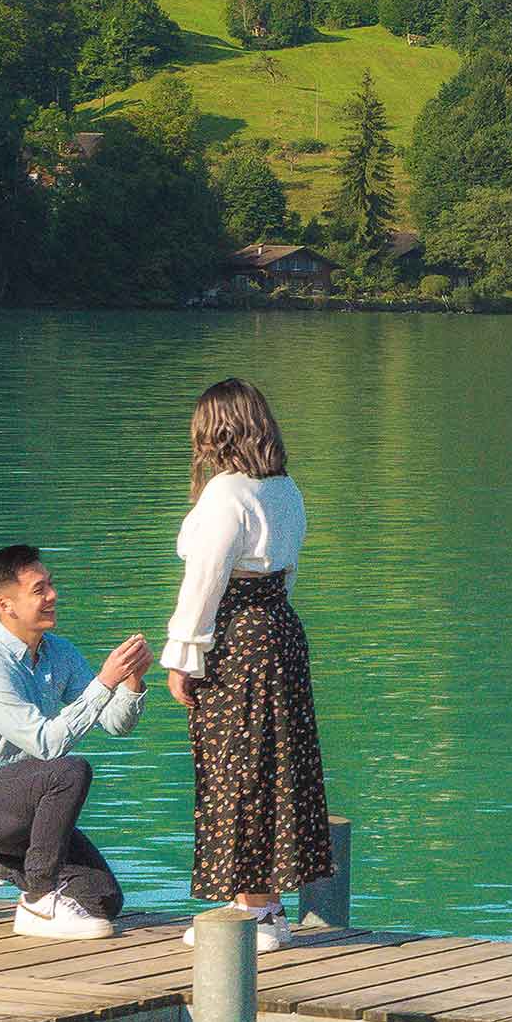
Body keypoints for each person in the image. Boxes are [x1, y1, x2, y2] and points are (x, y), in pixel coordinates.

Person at [163, 378, 334, 951]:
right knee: (276, 764)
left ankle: (255, 912)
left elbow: (205, 580)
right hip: (280, 630)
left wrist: (184, 655)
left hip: (236, 640)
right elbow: (287, 573)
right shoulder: (285, 489)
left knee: (236, 765)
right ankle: (266, 904)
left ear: (218, 431)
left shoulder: (225, 494)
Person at [0, 543, 151, 940]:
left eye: (50, 584)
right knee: (68, 770)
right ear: (6, 605)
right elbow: (46, 745)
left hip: (28, 811)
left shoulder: (60, 652)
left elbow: (114, 724)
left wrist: (129, 681)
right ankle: (39, 901)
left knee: (103, 901)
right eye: (40, 589)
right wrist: (104, 681)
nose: (53, 595)